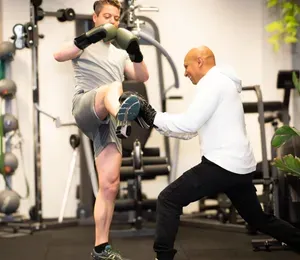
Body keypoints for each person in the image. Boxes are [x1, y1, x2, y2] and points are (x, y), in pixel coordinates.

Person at [122, 45, 300, 260]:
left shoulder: (213, 83)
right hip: (238, 166)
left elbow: (188, 124)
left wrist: (151, 114)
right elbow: (190, 130)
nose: (185, 72)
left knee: (168, 199)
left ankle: (163, 257)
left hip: (221, 165)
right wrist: (153, 119)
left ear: (199, 61)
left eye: (186, 66)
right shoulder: (222, 83)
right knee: (257, 219)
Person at [53, 1, 149, 259]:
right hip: (87, 105)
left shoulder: (119, 54)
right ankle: (125, 117)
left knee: (110, 184)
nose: (112, 21)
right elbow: (59, 54)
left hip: (109, 121)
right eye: (107, 16)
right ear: (95, 18)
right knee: (110, 88)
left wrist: (135, 51)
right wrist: (90, 37)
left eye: (116, 18)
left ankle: (100, 248)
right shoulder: (83, 47)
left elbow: (142, 76)